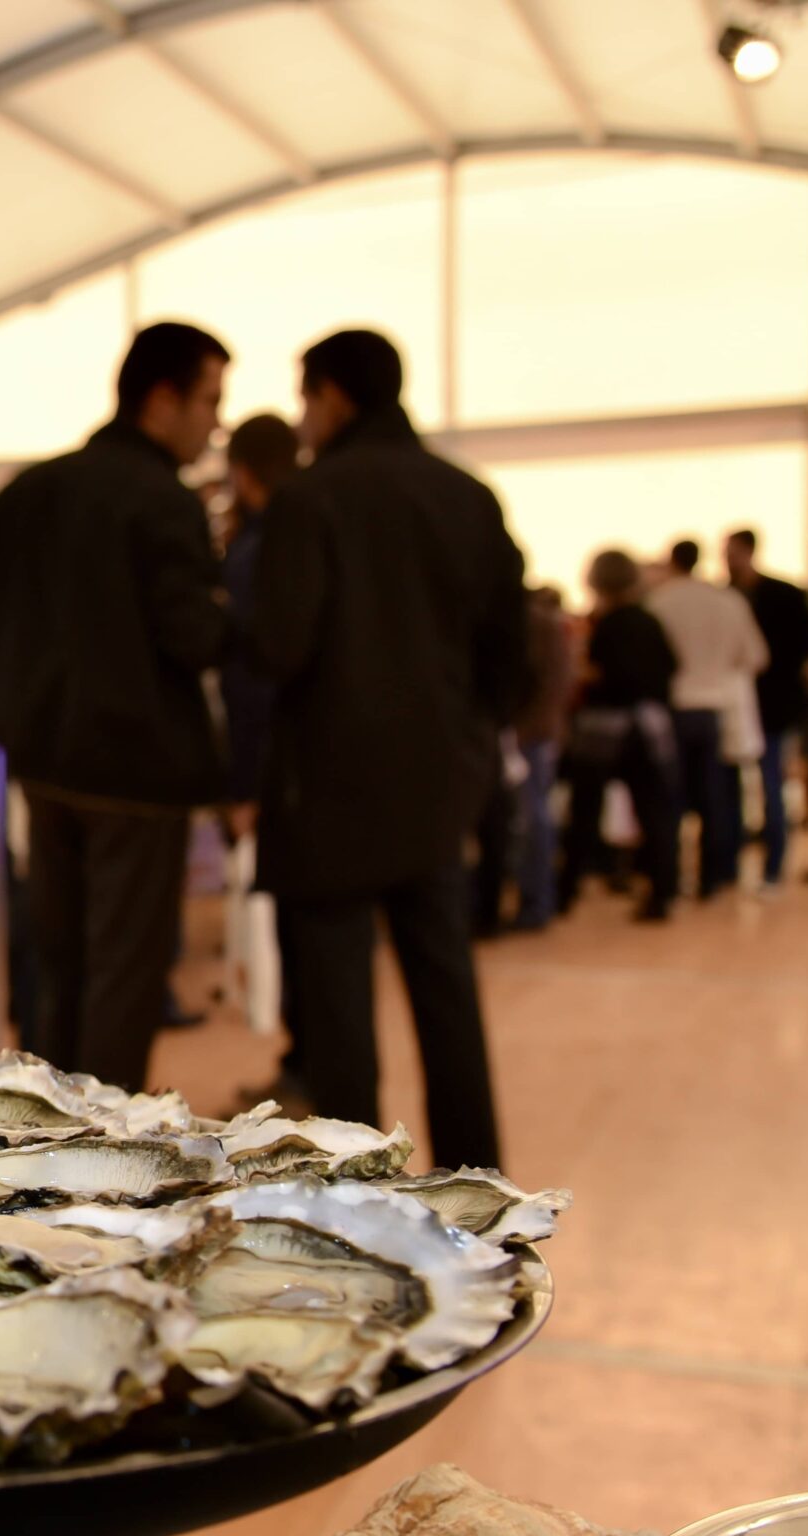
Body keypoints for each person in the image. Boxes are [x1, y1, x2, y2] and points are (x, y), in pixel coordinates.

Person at [251, 329, 522, 1172]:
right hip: (438, 786)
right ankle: (479, 1186)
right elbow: (509, 653)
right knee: (448, 1000)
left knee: (340, 1020)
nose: (302, 420)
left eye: (305, 398)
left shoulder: (309, 501)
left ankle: (363, 1198)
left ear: (333, 394)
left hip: (327, 792)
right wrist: (470, 747)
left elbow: (279, 648)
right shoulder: (465, 496)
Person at [0, 323, 229, 1091]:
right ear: (162, 398)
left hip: (46, 764)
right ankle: (104, 1153)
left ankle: (48, 1128)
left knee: (62, 958)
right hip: (136, 772)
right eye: (209, 402)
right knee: (125, 970)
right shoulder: (162, 501)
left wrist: (12, 717)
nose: (215, 423)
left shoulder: (30, 490)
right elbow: (193, 637)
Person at [215, 412, 304, 1106]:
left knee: (289, 924)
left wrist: (243, 781)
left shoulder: (257, 552)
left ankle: (306, 1073)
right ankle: (309, 1067)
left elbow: (251, 677)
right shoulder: (313, 532)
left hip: (278, 762)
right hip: (318, 759)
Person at [562, 549, 680, 922]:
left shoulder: (608, 625)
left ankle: (566, 889)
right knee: (654, 812)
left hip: (605, 729)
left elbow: (603, 675)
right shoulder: (649, 621)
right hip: (649, 727)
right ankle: (662, 890)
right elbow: (670, 668)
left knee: (585, 810)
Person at [649, 538, 763, 898]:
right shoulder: (728, 602)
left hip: (676, 708)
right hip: (715, 709)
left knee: (670, 799)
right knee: (715, 797)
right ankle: (713, 877)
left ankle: (669, 880)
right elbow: (755, 657)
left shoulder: (660, 603)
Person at [722, 529, 808, 885]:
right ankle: (728, 866)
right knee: (730, 787)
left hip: (773, 706)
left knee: (771, 782)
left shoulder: (783, 595)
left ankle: (773, 866)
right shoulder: (728, 596)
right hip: (738, 706)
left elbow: (798, 648)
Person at [510, 587, 575, 931]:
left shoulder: (532, 624)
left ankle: (536, 902)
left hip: (527, 733)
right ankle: (537, 900)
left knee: (532, 817)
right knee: (534, 816)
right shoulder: (547, 625)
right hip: (535, 732)